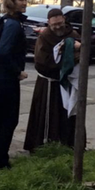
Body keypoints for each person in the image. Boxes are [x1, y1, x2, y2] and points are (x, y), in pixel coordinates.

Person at [24, 9, 81, 152]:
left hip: (68, 82)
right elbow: (41, 60)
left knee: (67, 114)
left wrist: (70, 61)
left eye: (60, 23)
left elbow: (81, 54)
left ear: (63, 19)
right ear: (49, 23)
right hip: (48, 83)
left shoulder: (73, 35)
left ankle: (68, 143)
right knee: (47, 115)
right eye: (54, 24)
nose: (57, 27)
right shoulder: (44, 38)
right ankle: (43, 145)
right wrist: (62, 63)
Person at [0, 0, 29, 169]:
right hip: (5, 79)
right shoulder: (12, 24)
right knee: (8, 119)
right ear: (12, 1)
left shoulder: (7, 21)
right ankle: (0, 160)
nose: (24, 3)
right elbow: (3, 52)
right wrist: (17, 71)